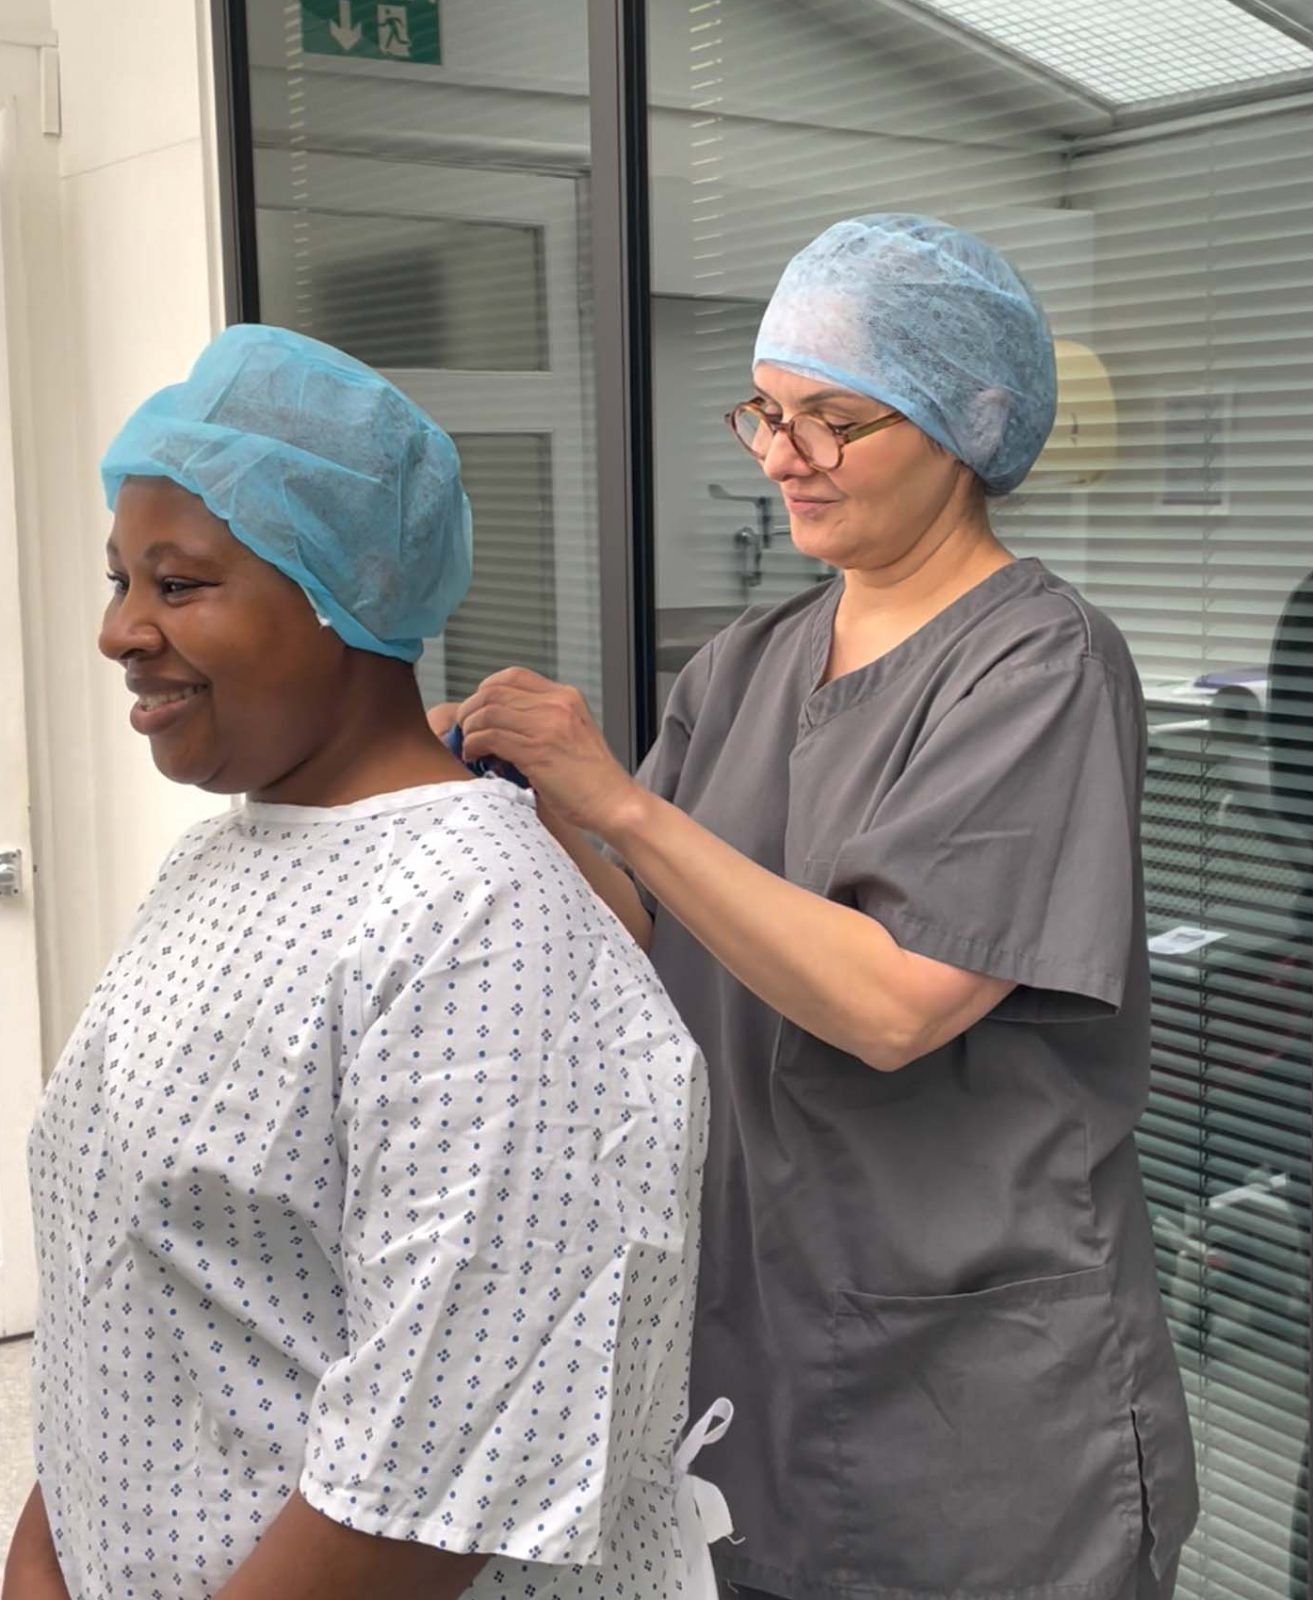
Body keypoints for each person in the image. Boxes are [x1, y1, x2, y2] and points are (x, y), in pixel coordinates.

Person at [437, 214, 1200, 1600]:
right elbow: (650, 934)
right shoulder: (747, 662)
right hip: (773, 1327)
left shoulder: (1038, 664)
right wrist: (526, 799)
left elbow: (891, 1000)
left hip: (980, 1385)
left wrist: (618, 801)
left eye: (832, 420)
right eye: (766, 414)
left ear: (967, 423)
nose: (782, 458)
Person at [4, 324, 728, 1600]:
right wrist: (46, 1553)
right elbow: (135, 1286)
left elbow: (426, 1487)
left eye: (177, 587)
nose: (120, 631)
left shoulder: (483, 929)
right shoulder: (220, 861)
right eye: (120, 580)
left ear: (341, 592)